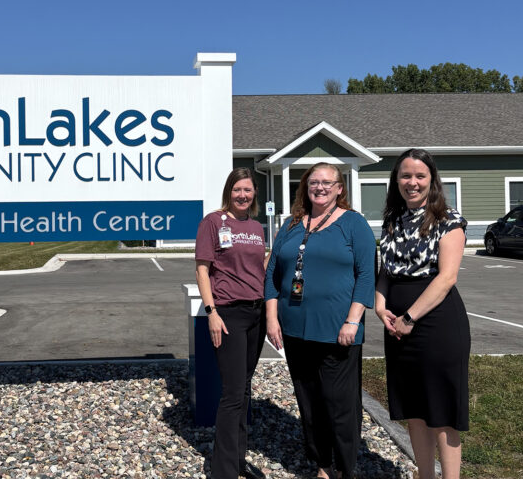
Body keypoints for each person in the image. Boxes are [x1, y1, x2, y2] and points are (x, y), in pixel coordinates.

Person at [264, 163, 376, 479]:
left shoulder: (354, 225)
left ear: (340, 188)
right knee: (309, 403)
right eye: (314, 182)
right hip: (295, 331)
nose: (321, 187)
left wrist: (353, 321)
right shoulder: (291, 225)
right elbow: (272, 274)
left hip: (338, 331)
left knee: (340, 405)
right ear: (305, 187)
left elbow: (366, 275)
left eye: (328, 182)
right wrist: (272, 319)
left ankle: (344, 467)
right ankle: (322, 464)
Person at [374, 148, 469, 479]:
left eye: (419, 176)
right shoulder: (392, 220)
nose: (411, 182)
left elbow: (446, 278)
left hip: (437, 325)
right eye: (405, 175)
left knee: (441, 411)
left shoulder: (449, 220)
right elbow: (386, 270)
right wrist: (380, 305)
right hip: (398, 326)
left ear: (432, 180)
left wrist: (410, 318)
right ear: (396, 180)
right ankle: (425, 474)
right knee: (413, 409)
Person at [195, 167, 267, 479]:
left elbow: (256, 265)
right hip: (228, 314)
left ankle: (238, 460)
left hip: (256, 313)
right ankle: (222, 471)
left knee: (245, 390)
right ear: (229, 191)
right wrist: (211, 312)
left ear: (254, 194)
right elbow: (201, 269)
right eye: (237, 189)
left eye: (248, 190)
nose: (243, 195)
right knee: (233, 393)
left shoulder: (256, 226)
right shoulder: (213, 221)